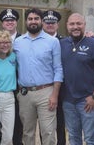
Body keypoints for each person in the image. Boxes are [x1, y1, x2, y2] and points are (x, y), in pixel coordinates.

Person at [13, 8, 63, 145]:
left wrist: (55, 94)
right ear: (26, 21)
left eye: (36, 19)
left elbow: (58, 69)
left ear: (41, 20)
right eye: (30, 19)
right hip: (24, 94)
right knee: (27, 132)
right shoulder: (18, 42)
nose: (33, 21)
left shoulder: (52, 42)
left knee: (48, 131)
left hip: (46, 93)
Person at [60, 13, 94, 145]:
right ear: (67, 26)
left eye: (79, 23)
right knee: (73, 137)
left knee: (90, 139)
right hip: (68, 101)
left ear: (85, 25)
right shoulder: (62, 44)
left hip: (88, 101)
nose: (75, 27)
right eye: (72, 24)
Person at [0, 8, 23, 145]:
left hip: (20, 88)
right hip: (1, 89)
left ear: (16, 22)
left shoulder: (25, 39)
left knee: (18, 123)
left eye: (12, 20)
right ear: (2, 23)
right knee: (1, 125)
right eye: (6, 20)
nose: (9, 22)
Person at [42, 10, 66, 145]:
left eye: (53, 23)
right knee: (44, 125)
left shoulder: (65, 42)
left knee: (60, 122)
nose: (50, 25)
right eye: (47, 22)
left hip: (61, 88)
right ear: (43, 24)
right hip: (43, 88)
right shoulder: (37, 40)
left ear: (57, 25)